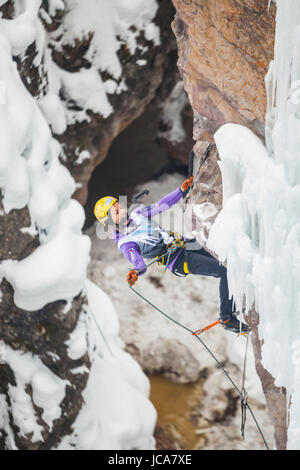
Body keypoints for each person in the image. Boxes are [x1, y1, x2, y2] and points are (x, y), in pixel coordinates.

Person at [94, 177, 248, 334]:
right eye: (116, 211)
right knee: (222, 271)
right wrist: (136, 271)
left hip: (186, 244)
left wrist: (180, 191)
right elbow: (138, 262)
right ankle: (227, 317)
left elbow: (160, 206)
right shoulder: (126, 243)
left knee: (224, 261)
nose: (122, 209)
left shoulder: (137, 214)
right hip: (179, 260)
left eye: (119, 206)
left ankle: (241, 294)